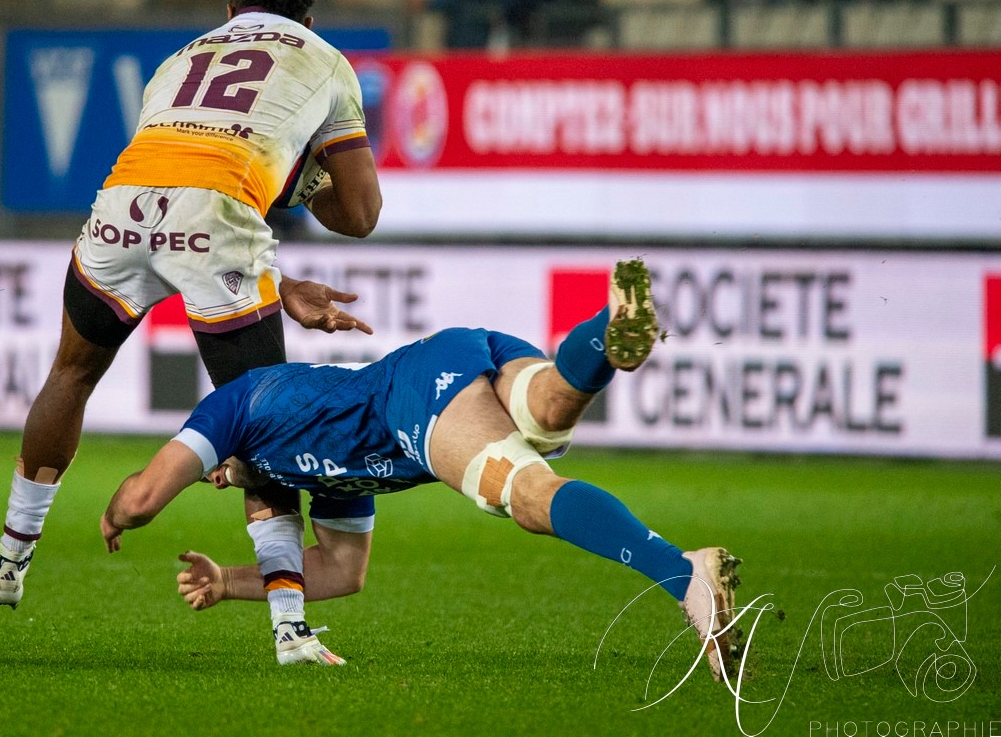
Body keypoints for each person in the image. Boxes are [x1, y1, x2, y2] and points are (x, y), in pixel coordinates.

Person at [0, 0, 384, 657]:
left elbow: (180, 161)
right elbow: (359, 213)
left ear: (231, 12)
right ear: (309, 17)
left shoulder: (180, 57)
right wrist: (300, 182)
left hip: (121, 204)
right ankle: (289, 626)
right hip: (216, 218)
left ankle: (11, 556)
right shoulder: (324, 58)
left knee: (70, 373)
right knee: (261, 412)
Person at [100, 261, 745, 680]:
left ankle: (683, 574)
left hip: (410, 395)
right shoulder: (326, 479)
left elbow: (143, 498)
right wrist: (228, 582)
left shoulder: (236, 405)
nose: (215, 479)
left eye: (215, 472)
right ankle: (612, 327)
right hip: (459, 352)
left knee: (525, 496)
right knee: (548, 406)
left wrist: (114, 511)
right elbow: (343, 572)